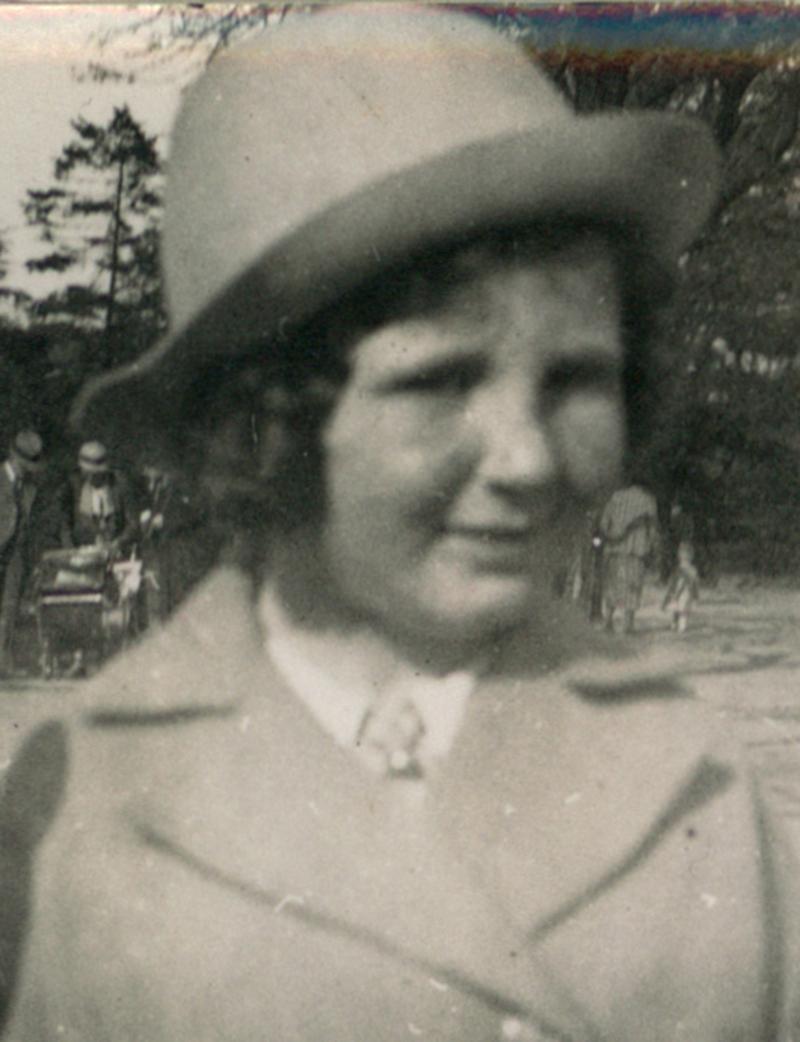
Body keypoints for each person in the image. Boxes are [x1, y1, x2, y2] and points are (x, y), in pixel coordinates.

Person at [3, 8, 798, 1042]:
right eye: (438, 382)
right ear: (266, 421)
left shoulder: (688, 774)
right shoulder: (77, 810)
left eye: (575, 379)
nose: (526, 458)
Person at [0, 431, 44, 676]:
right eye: (26, 464)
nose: (29, 470)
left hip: (16, 556)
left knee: (10, 608)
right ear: (14, 458)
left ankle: (3, 663)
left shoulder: (30, 488)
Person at [599, 481, 659, 633]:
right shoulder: (648, 500)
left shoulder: (615, 497)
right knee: (633, 586)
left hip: (614, 549)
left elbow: (604, 524)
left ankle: (608, 621)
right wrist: (651, 547)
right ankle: (628, 625)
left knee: (613, 585)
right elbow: (652, 529)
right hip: (636, 550)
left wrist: (611, 538)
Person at [60, 440, 137, 553]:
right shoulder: (74, 486)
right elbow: (65, 525)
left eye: (98, 473)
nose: (92, 477)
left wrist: (118, 543)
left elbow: (133, 524)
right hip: (82, 552)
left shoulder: (120, 485)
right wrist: (71, 551)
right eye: (88, 473)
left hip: (117, 551)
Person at [661, 539, 700, 633]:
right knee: (675, 609)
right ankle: (674, 624)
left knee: (683, 610)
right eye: (683, 555)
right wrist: (670, 591)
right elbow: (673, 581)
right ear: (679, 556)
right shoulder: (677, 569)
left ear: (691, 557)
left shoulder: (692, 570)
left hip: (686, 593)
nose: (685, 557)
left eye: (687, 555)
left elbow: (695, 583)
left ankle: (682, 625)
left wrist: (696, 596)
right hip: (676, 592)